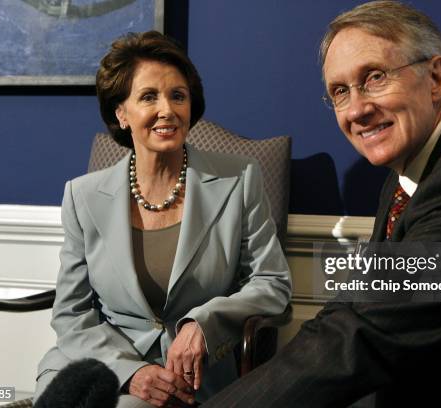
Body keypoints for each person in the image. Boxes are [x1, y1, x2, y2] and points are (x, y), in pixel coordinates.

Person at [203, 1, 441, 407]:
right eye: (340, 91)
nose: (357, 109)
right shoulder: (413, 164)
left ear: (435, 77)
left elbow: (364, 335)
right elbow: (356, 302)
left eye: (375, 77)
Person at [34, 31, 291, 407]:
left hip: (187, 376)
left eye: (178, 96)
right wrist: (130, 372)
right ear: (121, 113)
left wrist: (205, 324)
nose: (167, 110)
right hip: (95, 368)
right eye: (149, 96)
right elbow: (72, 313)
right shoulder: (83, 195)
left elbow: (273, 283)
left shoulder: (239, 179)